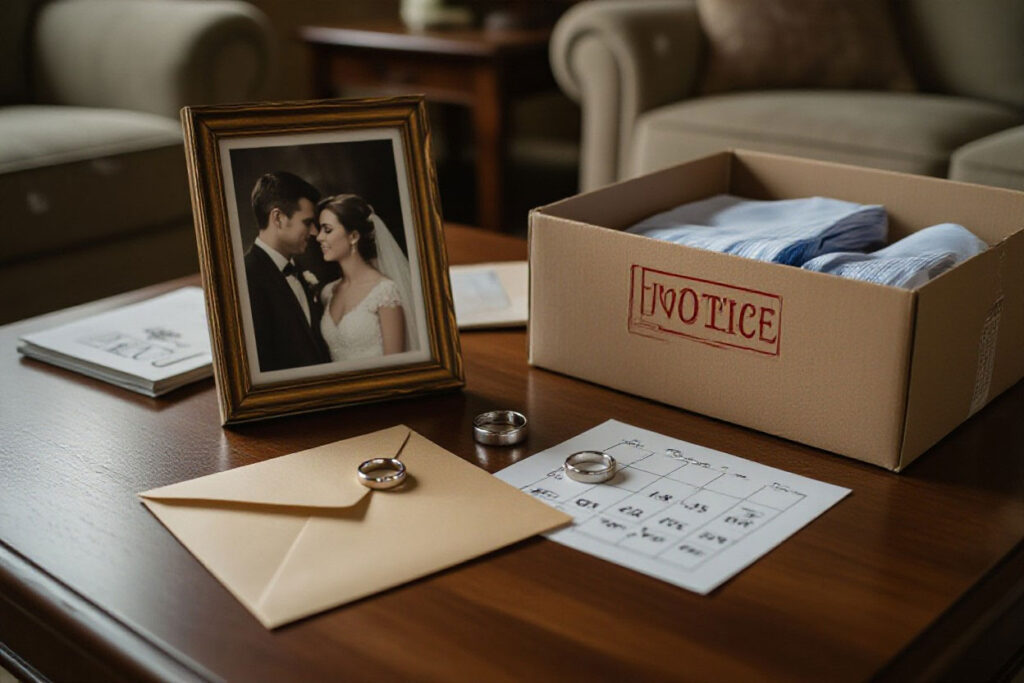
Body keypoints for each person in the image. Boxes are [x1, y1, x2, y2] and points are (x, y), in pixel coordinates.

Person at [244, 171, 331, 372]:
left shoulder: (299, 271)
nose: (315, 232)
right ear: (278, 218)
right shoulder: (247, 277)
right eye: (307, 222)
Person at [315, 194, 416, 362]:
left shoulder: (384, 292)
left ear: (353, 237)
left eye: (327, 230)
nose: (319, 237)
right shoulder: (329, 292)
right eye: (319, 229)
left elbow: (396, 366)